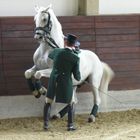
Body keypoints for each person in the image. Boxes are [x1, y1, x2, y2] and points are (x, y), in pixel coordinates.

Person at [43, 34, 81, 131]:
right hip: (65, 82)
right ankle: (70, 125)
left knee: (48, 101)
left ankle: (46, 124)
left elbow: (51, 56)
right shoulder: (75, 58)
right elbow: (77, 77)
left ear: (65, 42)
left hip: (53, 79)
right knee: (71, 102)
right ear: (74, 45)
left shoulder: (56, 51)